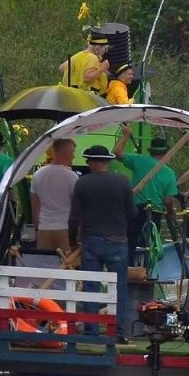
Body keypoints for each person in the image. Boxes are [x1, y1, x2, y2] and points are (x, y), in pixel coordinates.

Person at [69, 145, 136, 341]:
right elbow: (132, 213)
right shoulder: (123, 181)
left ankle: (92, 332)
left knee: (91, 286)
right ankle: (119, 332)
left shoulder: (82, 183)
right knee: (119, 288)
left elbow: (74, 218)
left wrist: (72, 242)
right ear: (108, 161)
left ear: (91, 162)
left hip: (92, 240)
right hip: (117, 240)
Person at [114, 126, 178, 254]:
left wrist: (125, 136)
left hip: (135, 210)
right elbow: (168, 201)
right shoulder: (169, 173)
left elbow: (117, 153)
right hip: (155, 212)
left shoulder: (139, 160)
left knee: (130, 243)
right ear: (166, 153)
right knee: (151, 246)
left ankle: (129, 264)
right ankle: (148, 264)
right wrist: (170, 212)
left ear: (151, 151)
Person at [30, 137, 78, 256]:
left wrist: (37, 227)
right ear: (65, 153)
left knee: (45, 262)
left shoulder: (37, 175)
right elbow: (76, 206)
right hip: (64, 228)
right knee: (66, 263)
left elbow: (35, 205)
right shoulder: (71, 177)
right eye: (72, 153)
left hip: (44, 228)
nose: (74, 156)